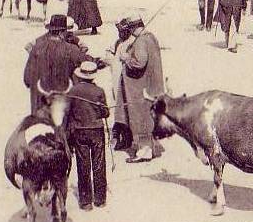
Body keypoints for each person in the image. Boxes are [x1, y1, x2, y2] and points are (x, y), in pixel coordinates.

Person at [112, 14, 165, 163]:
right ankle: (149, 148)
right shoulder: (151, 37)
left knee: (141, 118)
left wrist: (126, 58)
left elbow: (140, 62)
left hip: (140, 87)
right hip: (152, 86)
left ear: (134, 28)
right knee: (148, 117)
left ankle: (144, 152)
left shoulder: (141, 41)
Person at [68, 61, 110, 210]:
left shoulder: (72, 91)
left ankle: (86, 202)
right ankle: (100, 200)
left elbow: (68, 113)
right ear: (92, 76)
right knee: (98, 164)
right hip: (96, 131)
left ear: (80, 75)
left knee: (83, 165)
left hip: (80, 131)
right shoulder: (99, 91)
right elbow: (106, 113)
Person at [23, 15, 84, 116]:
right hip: (61, 97)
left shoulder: (36, 47)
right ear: (61, 32)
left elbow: (27, 79)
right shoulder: (70, 49)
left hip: (39, 100)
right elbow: (84, 62)